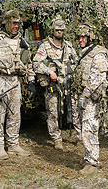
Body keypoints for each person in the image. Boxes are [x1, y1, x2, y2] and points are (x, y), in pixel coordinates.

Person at [0, 9, 36, 160]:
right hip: (0, 81)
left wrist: (31, 81)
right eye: (14, 23)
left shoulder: (21, 41)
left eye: (18, 24)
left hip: (15, 81)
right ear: (7, 23)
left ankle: (13, 145)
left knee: (15, 114)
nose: (16, 26)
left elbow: (28, 63)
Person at [33, 15, 78, 150]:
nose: (60, 32)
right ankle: (56, 138)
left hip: (67, 85)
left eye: (62, 30)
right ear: (53, 30)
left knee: (74, 109)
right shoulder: (45, 46)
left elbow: (76, 62)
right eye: (57, 30)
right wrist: (49, 72)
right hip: (53, 86)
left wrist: (72, 74)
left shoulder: (69, 46)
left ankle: (80, 135)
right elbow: (36, 64)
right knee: (53, 113)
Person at [74, 23, 108, 175]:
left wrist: (85, 95)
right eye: (79, 37)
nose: (81, 40)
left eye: (84, 37)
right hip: (82, 95)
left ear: (91, 38)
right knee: (84, 128)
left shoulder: (98, 53)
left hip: (91, 97)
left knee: (90, 129)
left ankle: (92, 163)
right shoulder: (84, 52)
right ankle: (88, 156)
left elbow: (98, 77)